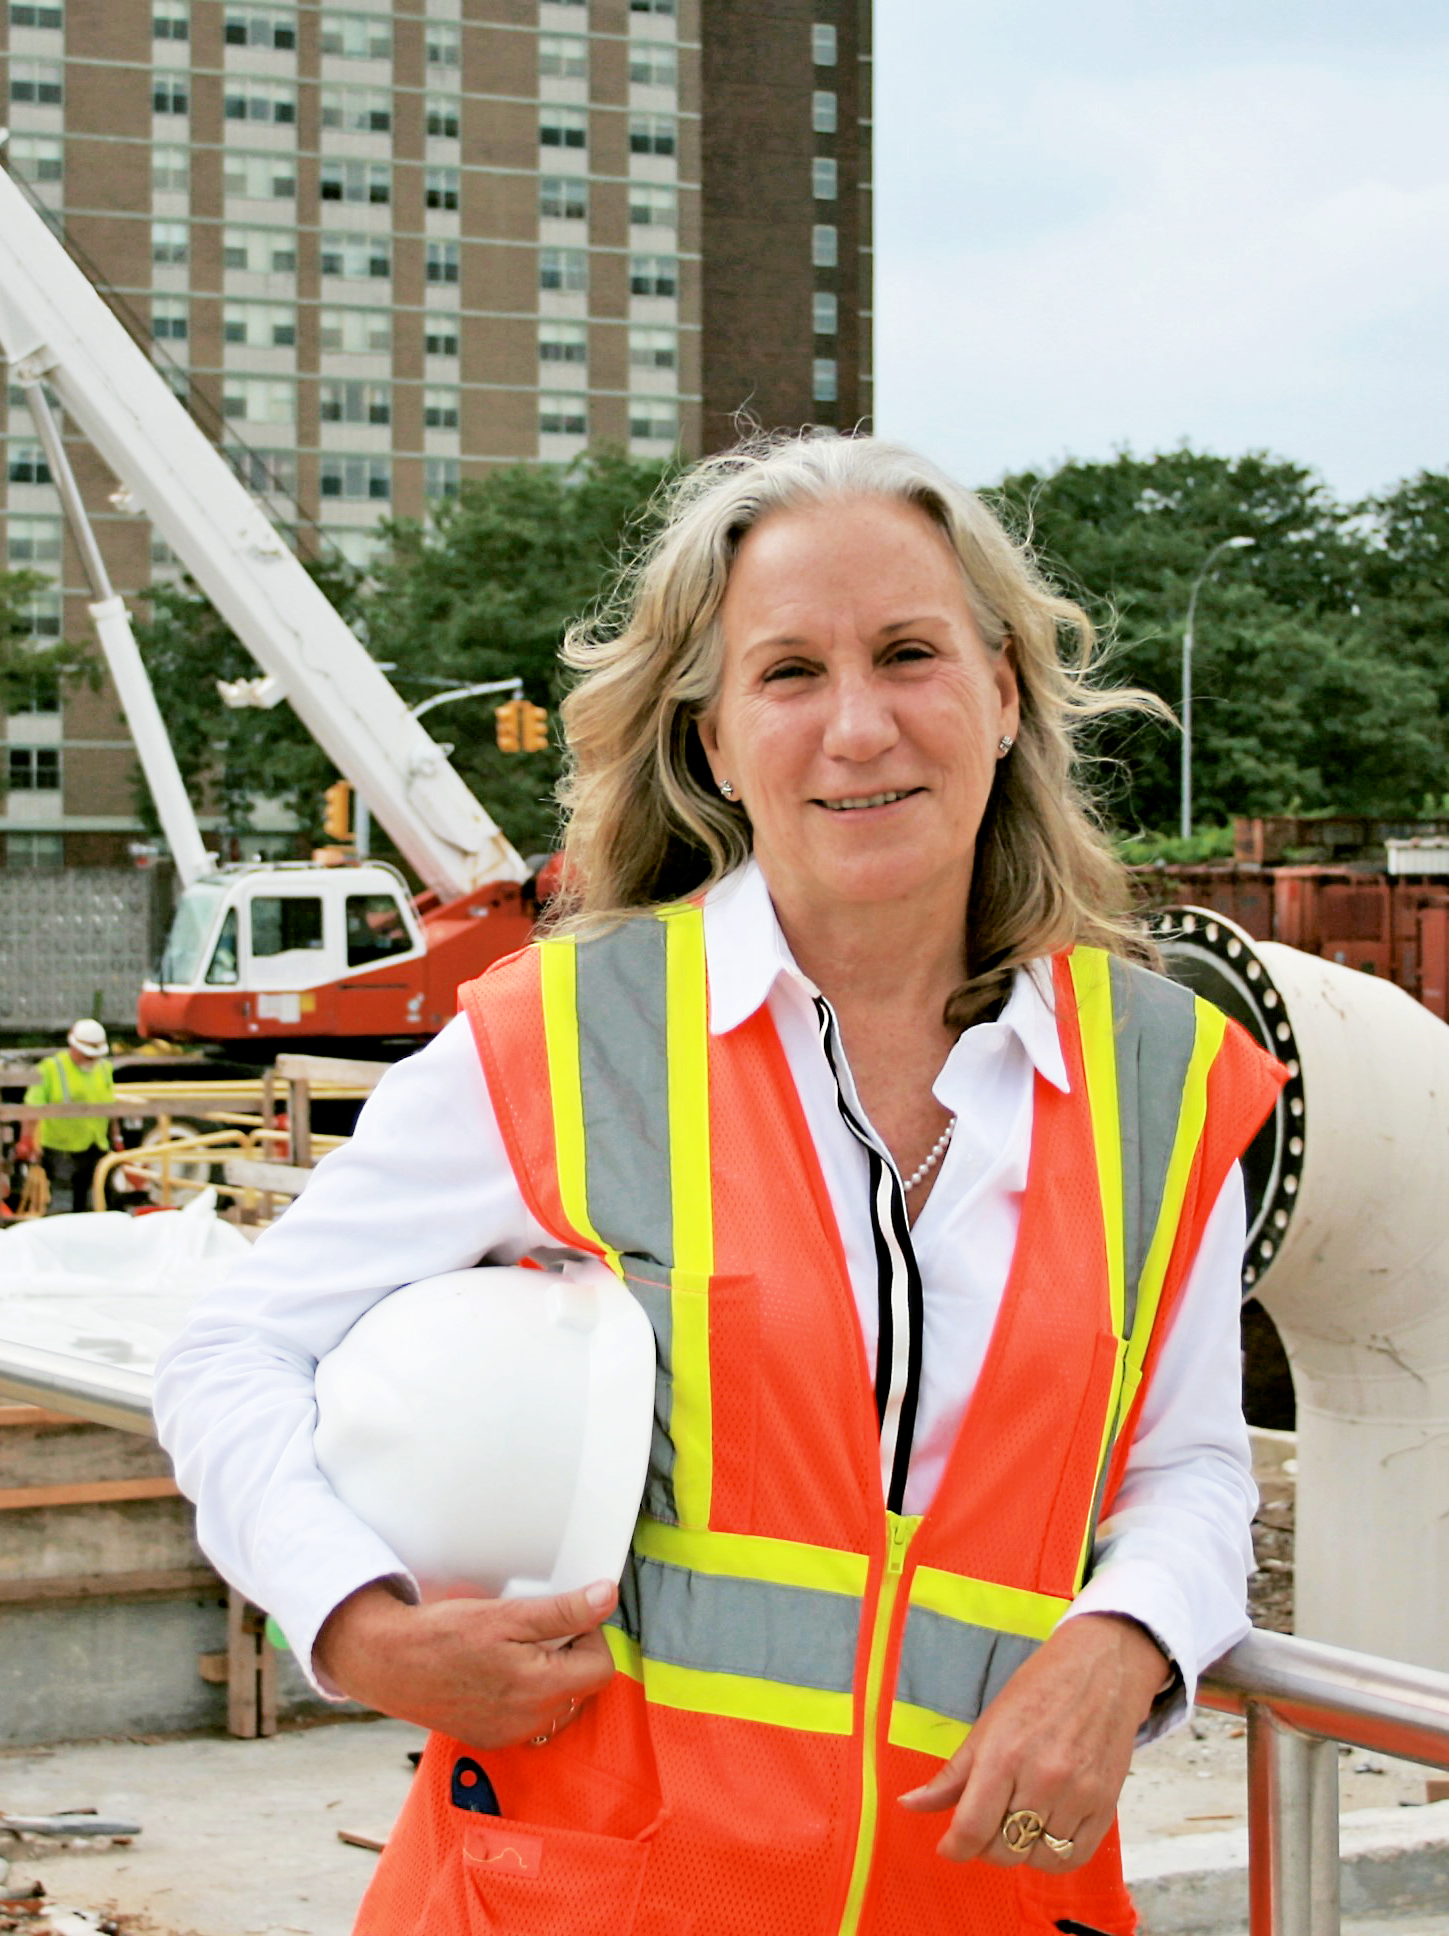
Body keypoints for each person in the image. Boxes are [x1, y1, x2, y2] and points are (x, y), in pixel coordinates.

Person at [155, 435, 1283, 1936]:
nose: (860, 727)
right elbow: (232, 1352)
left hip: (983, 1902)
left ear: (1003, 694)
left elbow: (1194, 1464)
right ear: (709, 740)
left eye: (908, 655)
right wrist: (352, 1622)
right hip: (586, 1901)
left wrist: (1133, 1637)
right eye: (790, 674)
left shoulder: (1166, 1080)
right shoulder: (568, 1038)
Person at [15, 1018, 122, 1215]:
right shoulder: (51, 1068)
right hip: (60, 1149)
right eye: (87, 1055)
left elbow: (110, 1106)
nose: (91, 1060)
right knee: (62, 1204)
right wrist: (27, 1140)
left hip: (95, 1146)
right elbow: (32, 1107)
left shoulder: (104, 1068)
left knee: (95, 1202)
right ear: (73, 1046)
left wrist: (117, 1138)